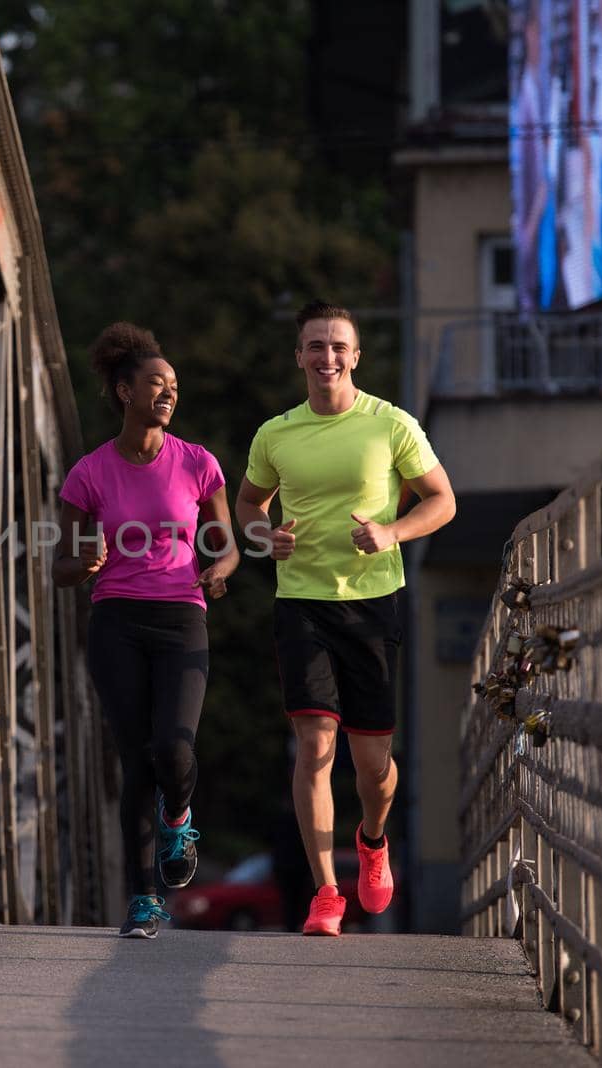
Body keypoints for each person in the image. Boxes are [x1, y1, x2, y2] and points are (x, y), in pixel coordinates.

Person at [234, 302, 456, 936]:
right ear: (298, 356)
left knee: (374, 770)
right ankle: (327, 892)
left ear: (356, 356)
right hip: (301, 603)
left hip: (371, 606)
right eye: (315, 346)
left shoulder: (391, 424)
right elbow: (251, 502)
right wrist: (263, 535)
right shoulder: (276, 433)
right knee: (313, 748)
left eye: (338, 346)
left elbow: (442, 500)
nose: (326, 357)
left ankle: (373, 839)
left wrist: (391, 531)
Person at [53, 322, 239, 939]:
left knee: (175, 748)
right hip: (117, 621)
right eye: (156, 384)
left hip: (183, 614)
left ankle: (178, 817)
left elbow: (228, 546)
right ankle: (142, 899)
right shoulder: (89, 474)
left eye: (174, 387)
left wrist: (220, 570)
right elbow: (59, 568)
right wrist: (83, 563)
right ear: (124, 391)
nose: (168, 394)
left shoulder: (198, 464)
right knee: (136, 760)